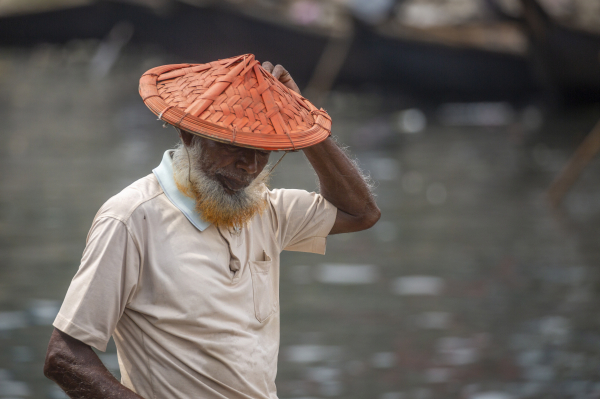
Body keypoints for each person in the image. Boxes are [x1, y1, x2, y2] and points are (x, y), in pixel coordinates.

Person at [43, 57, 380, 399]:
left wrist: (302, 118)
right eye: (234, 146)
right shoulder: (131, 218)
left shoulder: (264, 208)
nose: (249, 167)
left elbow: (360, 213)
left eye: (263, 151)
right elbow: (65, 356)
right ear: (188, 133)